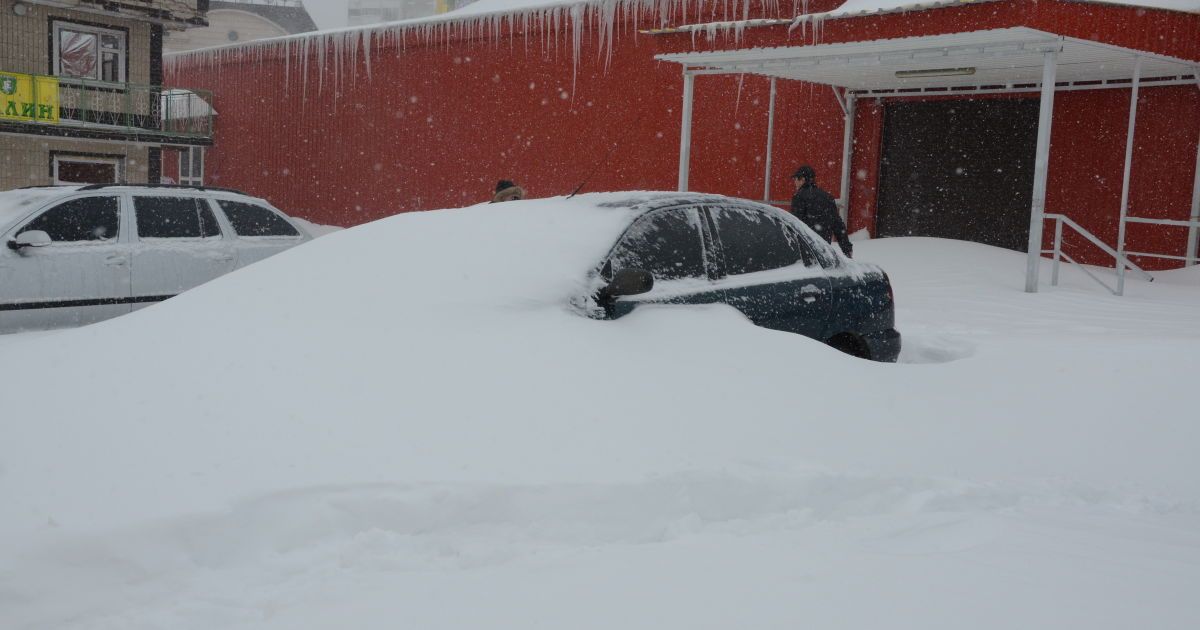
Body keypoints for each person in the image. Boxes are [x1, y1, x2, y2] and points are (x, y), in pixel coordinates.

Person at [789, 165, 852, 258]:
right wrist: (847, 249)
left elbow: (795, 224)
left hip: (804, 251)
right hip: (824, 252)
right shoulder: (828, 197)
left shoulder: (799, 197)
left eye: (795, 179)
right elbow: (838, 225)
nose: (794, 182)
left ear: (802, 179)